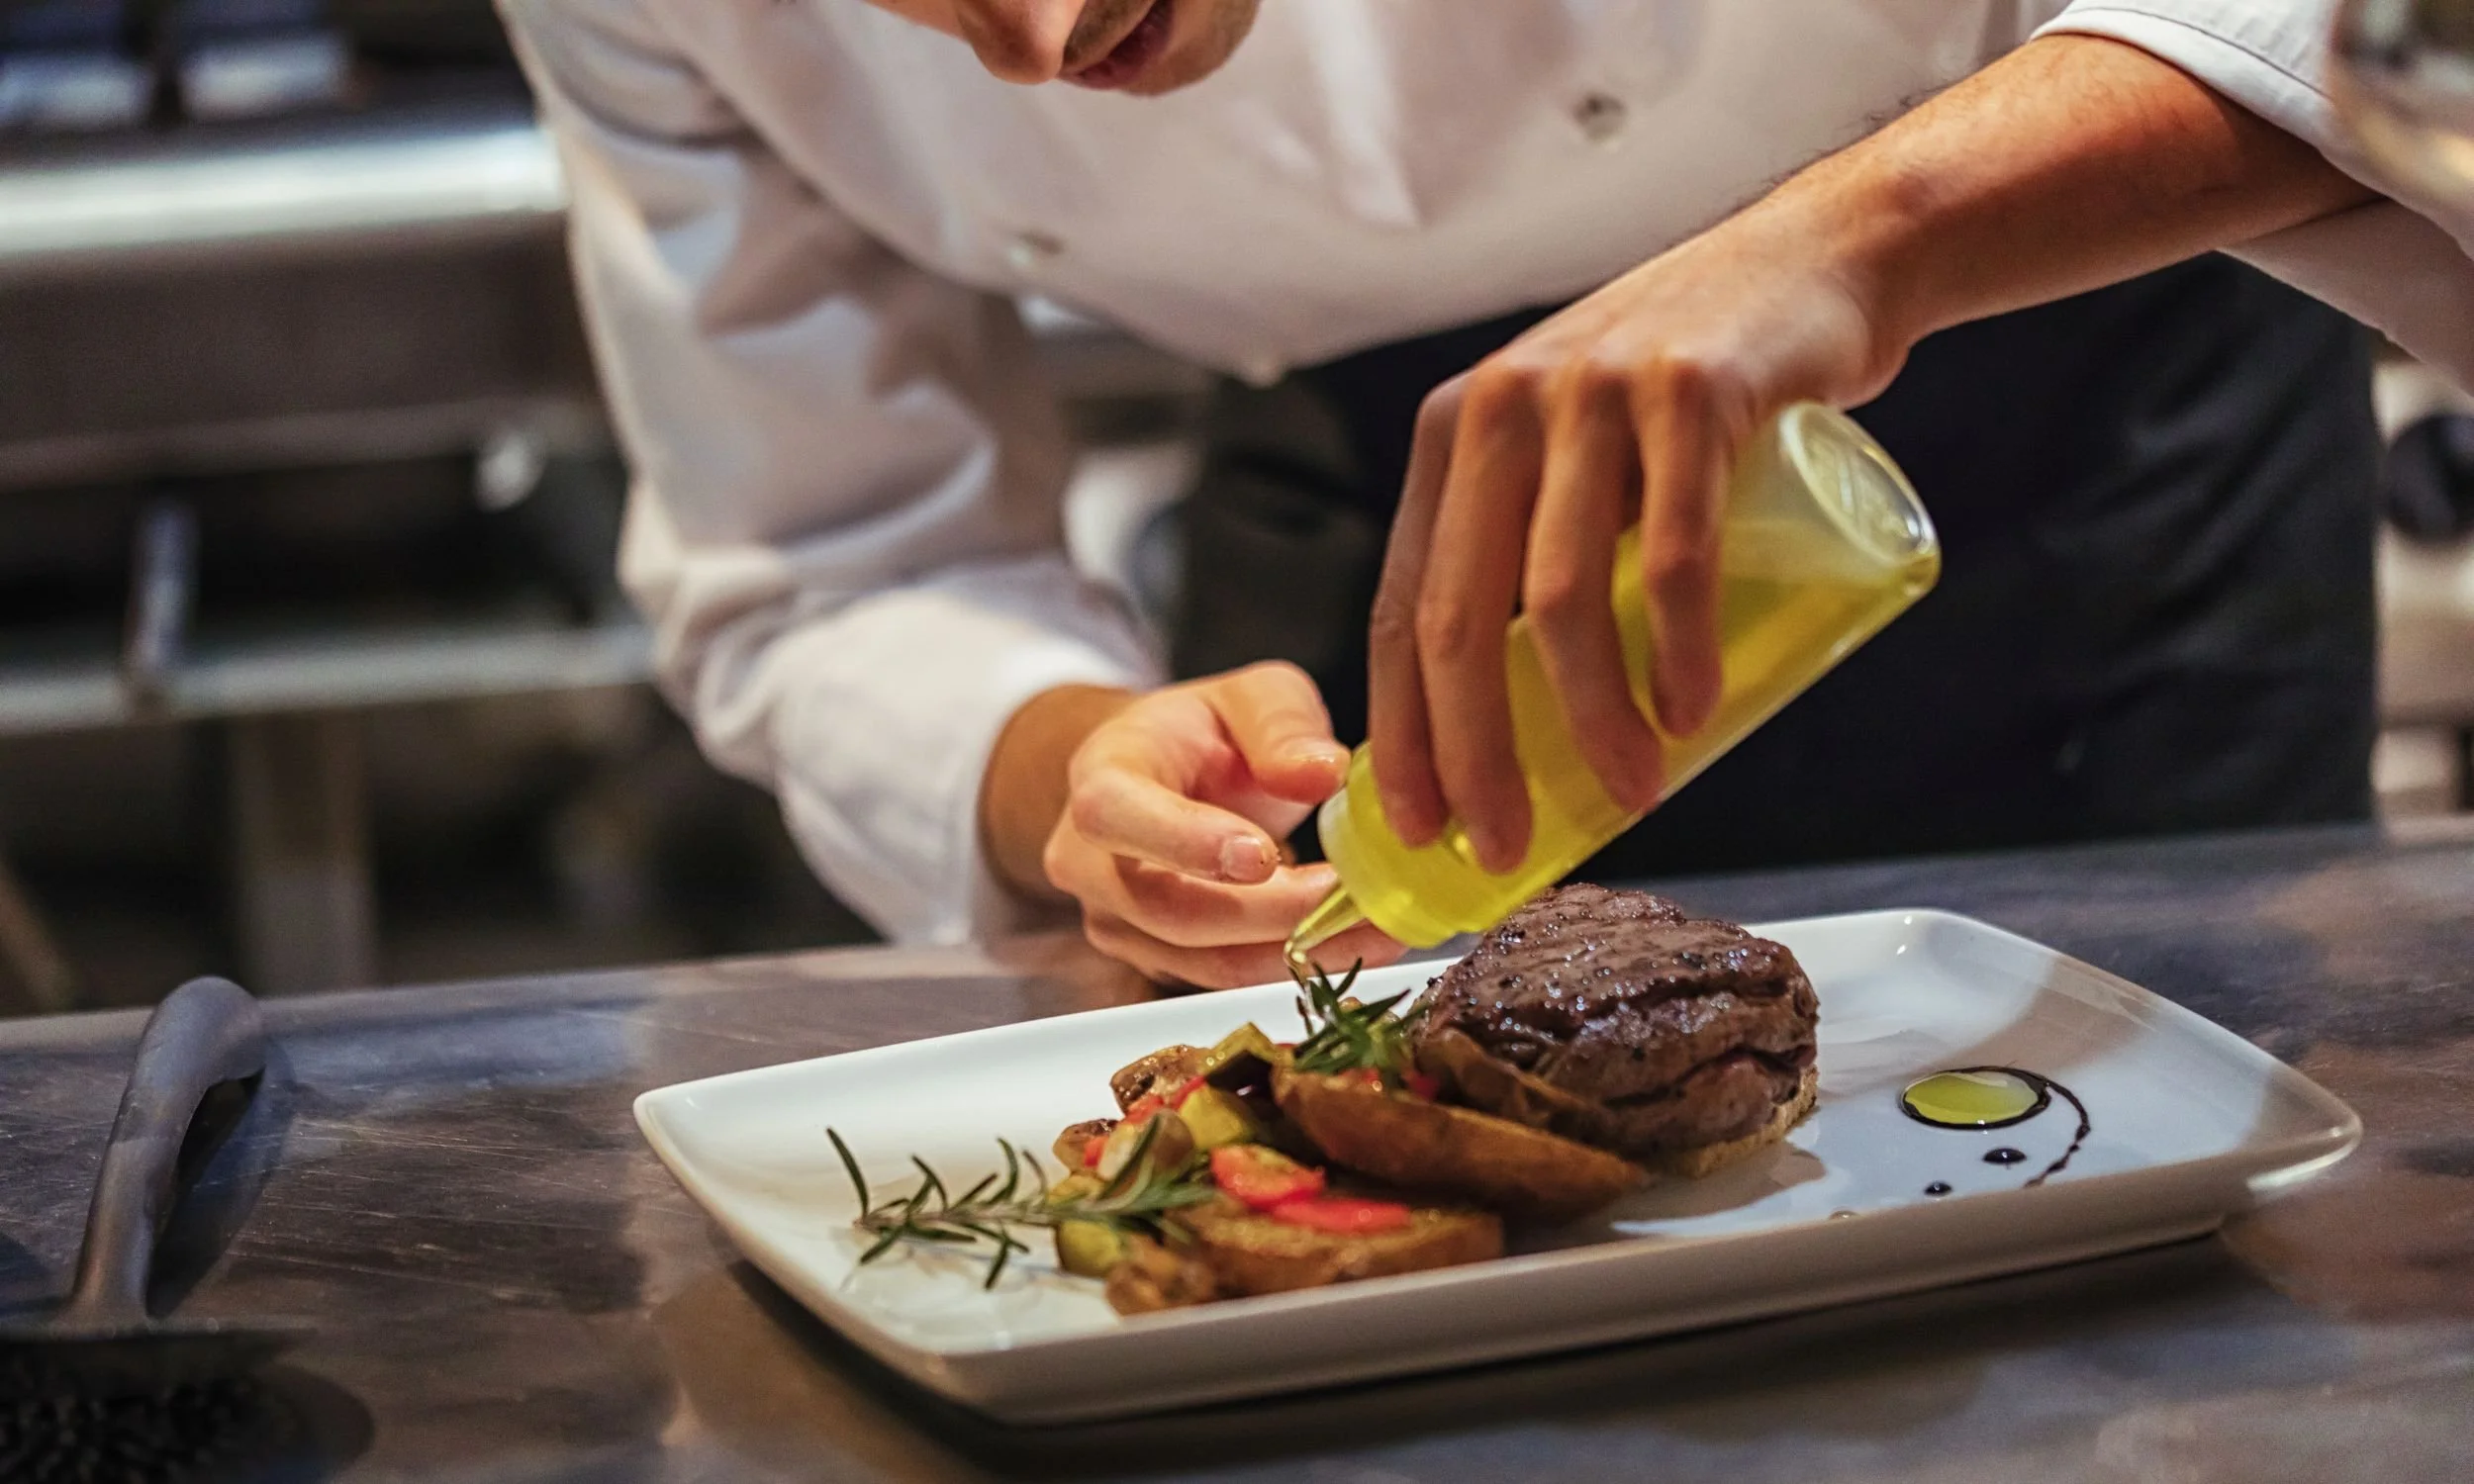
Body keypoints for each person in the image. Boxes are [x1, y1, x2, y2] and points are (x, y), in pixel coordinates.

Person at [499, 0, 2473, 986]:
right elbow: (828, 555)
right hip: (1380, 519)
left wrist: (1857, 244)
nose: (1036, 40)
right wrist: (1070, 769)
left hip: (2057, 380)